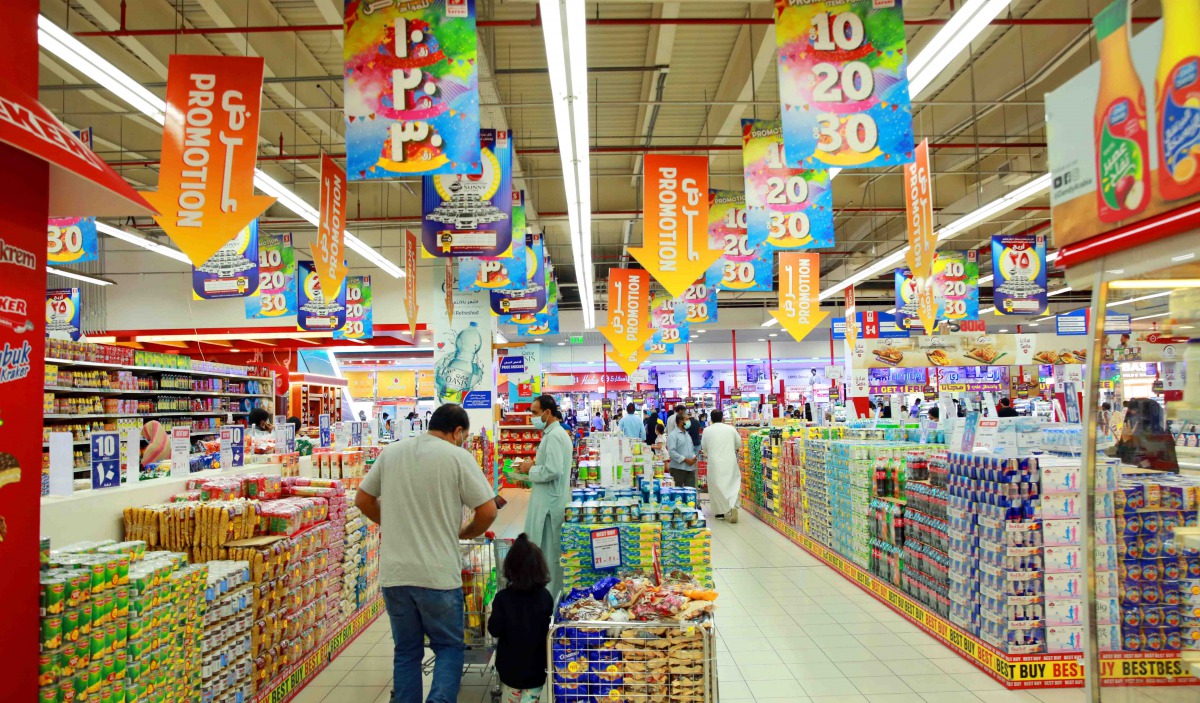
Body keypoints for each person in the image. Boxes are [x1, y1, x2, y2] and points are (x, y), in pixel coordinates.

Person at [354, 403, 498, 703]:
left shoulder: (392, 452)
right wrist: (466, 532)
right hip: (438, 575)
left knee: (406, 652)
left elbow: (363, 499)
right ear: (457, 431)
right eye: (464, 435)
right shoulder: (458, 457)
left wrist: (391, 522)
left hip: (395, 574)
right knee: (448, 647)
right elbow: (488, 510)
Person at [515, 395, 573, 595]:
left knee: (548, 556)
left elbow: (553, 470)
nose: (532, 417)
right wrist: (531, 466)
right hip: (550, 500)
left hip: (550, 506)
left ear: (548, 413)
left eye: (535, 412)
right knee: (547, 555)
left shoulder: (555, 435)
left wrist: (530, 470)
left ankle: (548, 600)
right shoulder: (552, 434)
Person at [487, 534, 555, 703]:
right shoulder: (545, 597)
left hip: (510, 668)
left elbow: (494, 630)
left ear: (510, 568)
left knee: (511, 699)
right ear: (540, 568)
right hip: (537, 668)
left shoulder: (502, 598)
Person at [1109, 398, 1179, 473]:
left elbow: (1134, 463)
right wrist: (1125, 441)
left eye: (1137, 416)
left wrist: (1127, 442)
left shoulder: (1158, 437)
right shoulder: (1134, 434)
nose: (1133, 422)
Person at [701, 409, 742, 523]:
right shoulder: (730, 429)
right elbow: (738, 443)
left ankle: (720, 513)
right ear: (722, 418)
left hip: (714, 462)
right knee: (731, 484)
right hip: (730, 460)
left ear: (711, 419)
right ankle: (733, 505)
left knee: (716, 486)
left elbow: (704, 447)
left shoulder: (707, 430)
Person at [666, 413, 698, 488]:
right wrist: (685, 460)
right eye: (686, 419)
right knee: (677, 493)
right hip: (678, 469)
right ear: (680, 422)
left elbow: (691, 449)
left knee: (690, 492)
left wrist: (694, 457)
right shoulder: (673, 435)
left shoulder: (687, 434)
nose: (689, 421)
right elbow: (672, 452)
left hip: (690, 468)